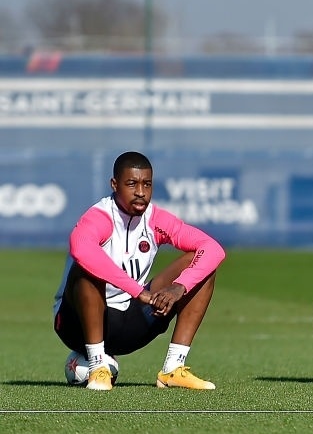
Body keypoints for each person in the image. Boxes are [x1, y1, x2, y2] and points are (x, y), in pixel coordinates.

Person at [53, 151, 225, 391]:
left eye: (147, 184)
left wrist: (180, 287)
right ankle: (97, 366)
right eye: (132, 184)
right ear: (115, 185)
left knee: (201, 265)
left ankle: (173, 369)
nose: (141, 192)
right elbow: (82, 250)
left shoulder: (156, 220)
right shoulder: (100, 217)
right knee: (86, 269)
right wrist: (138, 292)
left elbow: (213, 248)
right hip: (75, 326)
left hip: (128, 325)